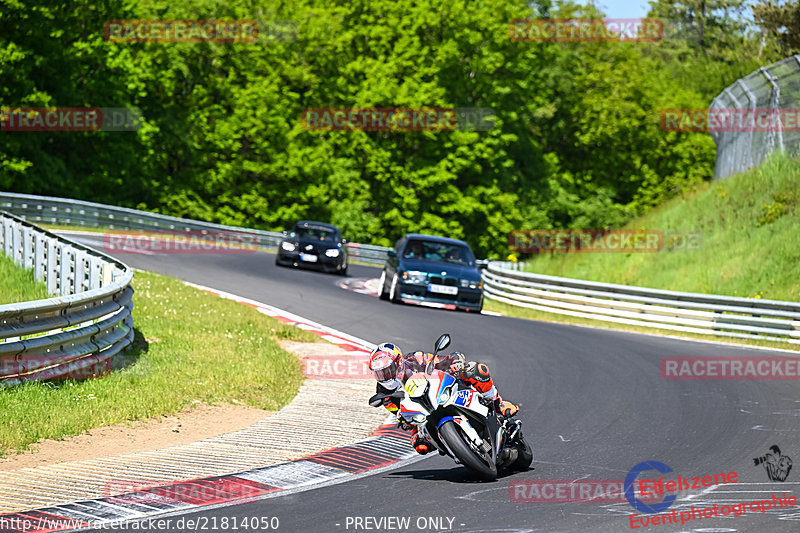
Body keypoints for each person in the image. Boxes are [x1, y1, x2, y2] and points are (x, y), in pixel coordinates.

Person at [368, 342, 519, 455]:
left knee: (476, 370)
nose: (385, 377)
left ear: (398, 362)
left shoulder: (415, 359)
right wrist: (403, 420)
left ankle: (498, 404)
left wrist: (456, 364)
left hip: (440, 393)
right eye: (380, 373)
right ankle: (454, 447)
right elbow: (399, 414)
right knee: (420, 446)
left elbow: (448, 359)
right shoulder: (385, 396)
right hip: (421, 416)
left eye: (388, 371)